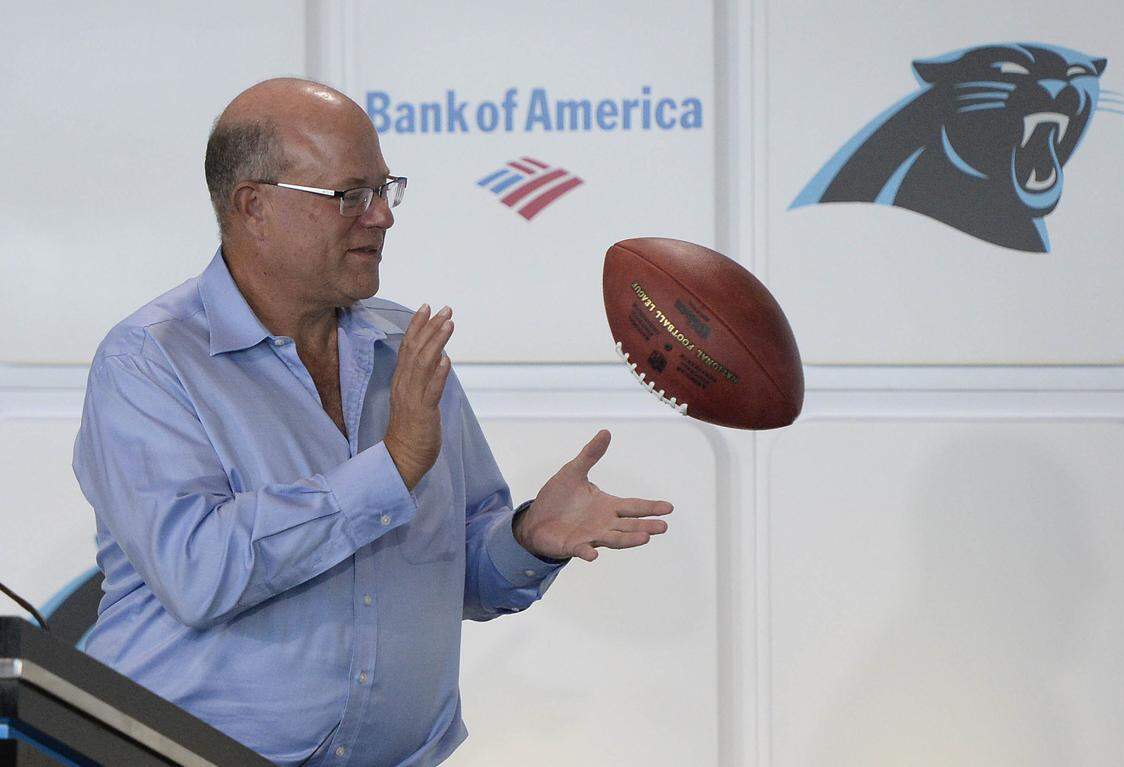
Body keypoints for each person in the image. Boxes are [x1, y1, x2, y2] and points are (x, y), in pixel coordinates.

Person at [71, 78, 673, 767]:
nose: (382, 215)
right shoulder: (151, 360)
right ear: (253, 207)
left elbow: (460, 574)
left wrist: (526, 538)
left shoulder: (401, 347)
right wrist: (391, 468)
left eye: (387, 190)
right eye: (350, 195)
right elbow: (200, 571)